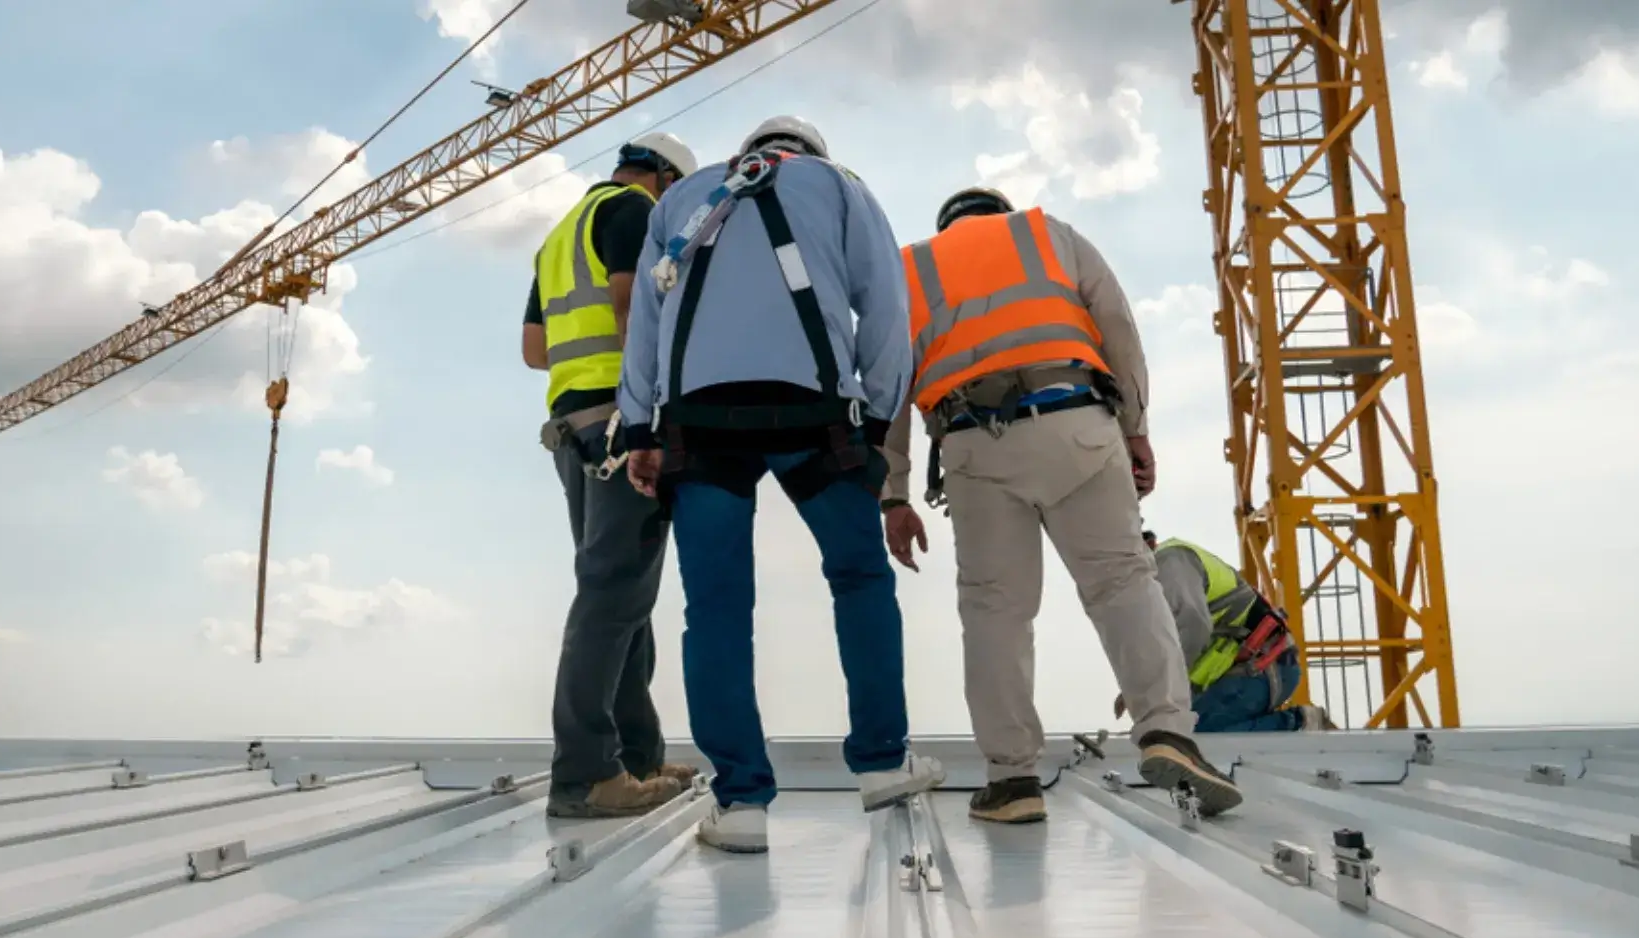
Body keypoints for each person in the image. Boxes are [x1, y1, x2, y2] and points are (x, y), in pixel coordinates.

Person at [617, 115, 945, 854]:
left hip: (699, 425)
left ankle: (741, 804)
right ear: (809, 154)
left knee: (718, 609)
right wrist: (880, 415)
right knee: (859, 578)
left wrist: (640, 430)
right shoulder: (839, 187)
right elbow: (888, 307)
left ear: (748, 150)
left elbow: (646, 315)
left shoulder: (683, 199)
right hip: (816, 418)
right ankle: (881, 763)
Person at [879, 185, 1243, 827]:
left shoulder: (912, 268)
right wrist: (1135, 426)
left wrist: (895, 495)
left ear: (947, 226)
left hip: (971, 441)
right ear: (1002, 213)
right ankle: (1167, 732)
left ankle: (1012, 779)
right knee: (1124, 581)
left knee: (996, 613)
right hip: (1075, 421)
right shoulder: (1051, 235)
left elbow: (887, 385)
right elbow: (1118, 327)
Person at [523, 132, 704, 818]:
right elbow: (635, 317)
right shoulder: (631, 211)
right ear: (660, 178)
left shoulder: (560, 235)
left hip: (573, 428)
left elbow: (534, 350)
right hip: (618, 428)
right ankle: (586, 772)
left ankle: (637, 759)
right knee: (610, 597)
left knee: (621, 595)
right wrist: (643, 421)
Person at [1128, 530, 1336, 733]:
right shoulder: (1154, 581)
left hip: (1265, 667)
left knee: (1191, 729)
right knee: (1168, 731)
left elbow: (1195, 626)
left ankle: (1299, 723)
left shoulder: (1170, 563)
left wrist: (1156, 685)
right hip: (1245, 668)